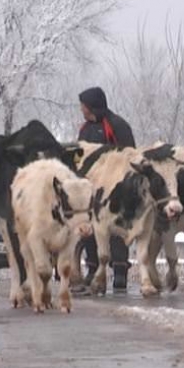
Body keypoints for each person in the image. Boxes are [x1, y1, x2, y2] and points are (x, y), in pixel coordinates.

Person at [77, 86, 136, 294]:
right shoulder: (85, 129)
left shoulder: (117, 125)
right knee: (90, 230)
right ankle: (93, 270)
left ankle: (120, 271)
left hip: (115, 188)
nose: (81, 110)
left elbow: (130, 155)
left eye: (83, 106)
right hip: (91, 188)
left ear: (92, 106)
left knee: (116, 228)